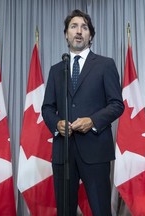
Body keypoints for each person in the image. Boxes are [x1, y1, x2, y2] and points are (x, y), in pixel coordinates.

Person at [42, 9, 124, 216]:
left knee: (100, 210)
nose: (79, 31)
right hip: (64, 151)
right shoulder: (55, 69)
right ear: (66, 34)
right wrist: (57, 124)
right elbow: (47, 108)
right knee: (65, 211)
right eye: (74, 26)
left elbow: (117, 104)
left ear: (90, 36)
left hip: (95, 150)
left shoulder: (106, 65)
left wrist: (93, 121)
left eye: (84, 27)